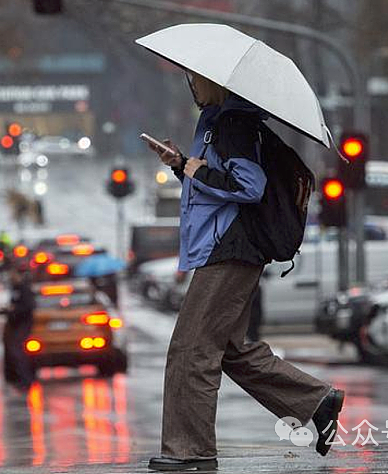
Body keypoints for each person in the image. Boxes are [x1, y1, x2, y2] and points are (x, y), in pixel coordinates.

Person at [145, 72, 344, 472]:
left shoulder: (231, 125)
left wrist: (195, 170)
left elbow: (249, 186)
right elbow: (216, 181)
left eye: (196, 80)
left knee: (191, 349)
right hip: (229, 249)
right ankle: (317, 401)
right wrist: (183, 164)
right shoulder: (223, 123)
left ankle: (190, 452)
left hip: (229, 250)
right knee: (230, 350)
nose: (192, 86)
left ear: (215, 84)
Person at [2, 263, 37, 389]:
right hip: (15, 324)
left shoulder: (24, 288)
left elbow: (28, 306)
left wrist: (13, 310)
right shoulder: (15, 288)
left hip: (23, 324)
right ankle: (18, 378)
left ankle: (26, 379)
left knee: (18, 351)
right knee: (13, 351)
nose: (10, 277)